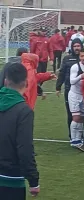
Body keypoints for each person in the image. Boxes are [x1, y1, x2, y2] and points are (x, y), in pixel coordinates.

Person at [0, 63, 39, 200]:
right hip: (11, 178)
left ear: (5, 81)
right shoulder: (24, 111)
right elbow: (25, 148)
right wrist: (33, 180)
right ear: (26, 83)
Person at [56, 38, 83, 139]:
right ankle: (72, 135)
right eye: (75, 46)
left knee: (81, 114)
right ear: (72, 47)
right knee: (71, 113)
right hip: (69, 89)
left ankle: (80, 134)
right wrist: (58, 87)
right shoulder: (67, 58)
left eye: (78, 46)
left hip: (82, 91)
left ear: (81, 46)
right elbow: (62, 73)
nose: (77, 48)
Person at [68, 49, 84, 148]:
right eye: (82, 56)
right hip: (74, 94)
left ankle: (79, 138)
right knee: (76, 117)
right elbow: (72, 81)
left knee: (82, 118)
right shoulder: (75, 67)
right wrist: (81, 76)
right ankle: (74, 139)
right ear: (79, 57)